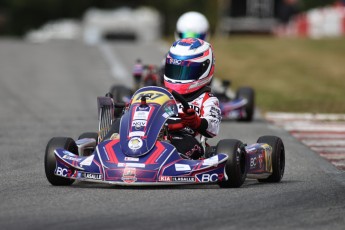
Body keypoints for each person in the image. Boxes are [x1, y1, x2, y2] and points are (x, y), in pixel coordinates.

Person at [164, 38, 221, 159]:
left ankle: (172, 162)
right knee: (119, 125)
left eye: (187, 72)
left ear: (204, 69)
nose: (178, 78)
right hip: (151, 135)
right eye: (175, 70)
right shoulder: (161, 94)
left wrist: (196, 121)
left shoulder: (207, 99)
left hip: (184, 139)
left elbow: (213, 128)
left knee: (180, 144)